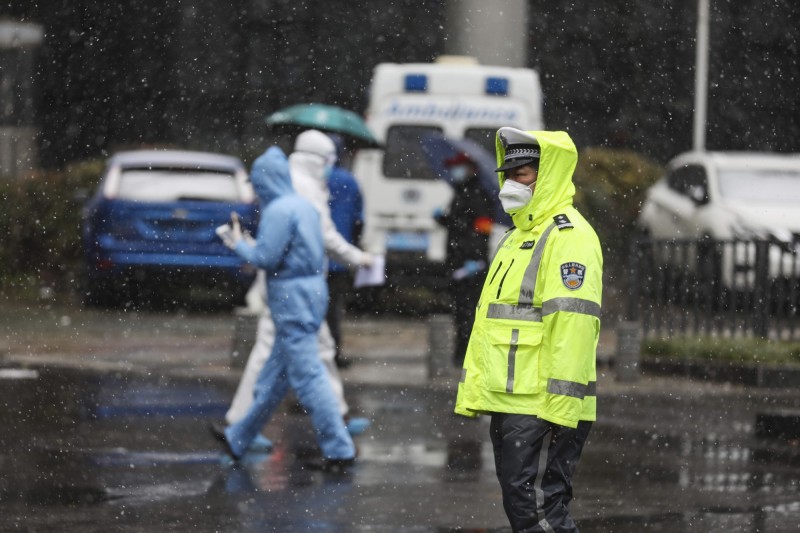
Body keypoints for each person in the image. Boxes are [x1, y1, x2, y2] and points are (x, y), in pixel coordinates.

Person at [454, 128, 603, 532]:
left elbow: (572, 324)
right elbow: (493, 323)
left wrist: (561, 410)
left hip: (542, 403)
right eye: (508, 174)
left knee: (542, 512)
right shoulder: (518, 236)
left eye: (522, 174)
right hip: (513, 400)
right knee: (523, 509)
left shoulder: (568, 237)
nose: (511, 184)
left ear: (547, 175)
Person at [223, 130, 372, 450]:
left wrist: (239, 244)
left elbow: (271, 252)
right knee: (298, 363)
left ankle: (333, 438)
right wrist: (358, 258)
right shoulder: (303, 191)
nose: (333, 167)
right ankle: (243, 429)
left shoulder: (292, 193)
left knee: (301, 364)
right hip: (301, 290)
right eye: (330, 161)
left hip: (291, 291)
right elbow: (321, 237)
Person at [433, 152, 493, 368]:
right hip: (457, 263)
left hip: (471, 266)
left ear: (471, 169)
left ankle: (467, 355)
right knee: (460, 312)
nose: (454, 172)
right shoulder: (459, 192)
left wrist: (476, 260)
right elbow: (459, 224)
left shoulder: (479, 195)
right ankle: (461, 354)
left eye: (459, 167)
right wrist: (443, 219)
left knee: (470, 313)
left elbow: (481, 230)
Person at [326, 135, 365, 369]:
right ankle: (334, 352)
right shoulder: (349, 182)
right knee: (334, 308)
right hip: (340, 258)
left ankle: (319, 353)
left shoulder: (315, 180)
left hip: (315, 258)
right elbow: (359, 220)